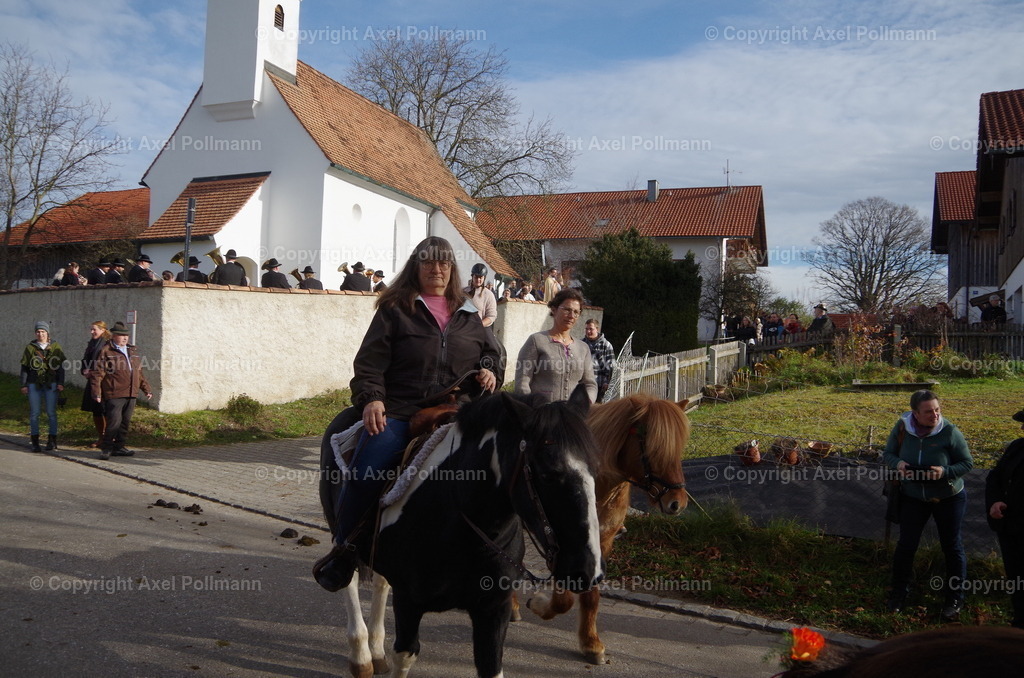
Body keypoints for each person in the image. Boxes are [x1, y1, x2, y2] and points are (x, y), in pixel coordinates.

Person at [312, 236, 499, 592]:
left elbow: (491, 354)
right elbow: (369, 362)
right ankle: (346, 550)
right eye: (428, 262)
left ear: (452, 268)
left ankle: (493, 553)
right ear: (416, 266)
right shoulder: (395, 308)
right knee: (371, 462)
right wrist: (371, 399)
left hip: (457, 411)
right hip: (400, 409)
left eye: (444, 263)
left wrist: (490, 370)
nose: (437, 269)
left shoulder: (469, 312)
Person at [883, 389, 973, 620]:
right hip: (913, 496)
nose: (934, 415)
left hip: (948, 497)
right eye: (928, 412)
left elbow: (967, 463)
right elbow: (888, 454)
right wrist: (899, 464)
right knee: (906, 545)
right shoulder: (903, 427)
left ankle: (954, 598)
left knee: (951, 546)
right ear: (915, 413)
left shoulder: (949, 431)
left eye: (937, 409)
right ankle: (899, 593)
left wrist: (945, 471)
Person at [514, 287, 597, 404]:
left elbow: (590, 383)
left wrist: (585, 404)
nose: (571, 315)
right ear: (554, 310)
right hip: (541, 416)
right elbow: (522, 382)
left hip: (572, 417)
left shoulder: (583, 348)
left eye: (576, 312)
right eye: (567, 310)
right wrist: (533, 408)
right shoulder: (536, 341)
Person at [89, 321, 153, 460]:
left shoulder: (132, 351)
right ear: (113, 336)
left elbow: (139, 373)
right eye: (121, 335)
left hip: (131, 393)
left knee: (125, 422)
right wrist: (96, 392)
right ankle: (106, 448)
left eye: (126, 336)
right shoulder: (106, 351)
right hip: (115, 393)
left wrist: (146, 389)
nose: (124, 338)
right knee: (114, 422)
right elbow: (98, 373)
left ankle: (119, 447)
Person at [986, 408, 1024, 629]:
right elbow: (995, 477)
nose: (1022, 428)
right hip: (1011, 529)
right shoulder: (1017, 447)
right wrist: (995, 501)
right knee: (1016, 578)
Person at [19, 321, 66, 453]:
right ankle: (35, 442)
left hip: (51, 384)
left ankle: (52, 440)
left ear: (47, 333)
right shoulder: (30, 348)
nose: (40, 334)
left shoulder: (56, 346)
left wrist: (61, 383)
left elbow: (60, 367)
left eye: (43, 331)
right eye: (38, 332)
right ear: (35, 333)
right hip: (34, 383)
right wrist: (23, 384)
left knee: (51, 413)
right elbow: (24, 368)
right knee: (35, 413)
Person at [80, 321, 110, 449]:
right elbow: (85, 360)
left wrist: (93, 371)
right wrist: (84, 370)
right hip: (93, 381)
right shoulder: (91, 344)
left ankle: (109, 438)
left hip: (104, 382)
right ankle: (101, 437)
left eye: (94, 329)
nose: (92, 332)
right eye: (91, 329)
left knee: (105, 410)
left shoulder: (107, 344)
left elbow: (108, 363)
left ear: (103, 330)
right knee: (96, 410)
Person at [582, 318, 616, 402]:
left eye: (591, 329)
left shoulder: (606, 345)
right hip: (583, 385)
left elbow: (611, 366)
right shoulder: (581, 344)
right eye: (586, 329)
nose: (588, 331)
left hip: (599, 386)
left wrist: (607, 382)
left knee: (597, 411)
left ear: (597, 329)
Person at [465, 263, 497, 328]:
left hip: (480, 328)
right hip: (464, 327)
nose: (478, 280)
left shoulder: (489, 295)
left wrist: (478, 325)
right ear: (472, 276)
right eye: (476, 277)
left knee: (491, 338)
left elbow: (491, 316)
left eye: (480, 277)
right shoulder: (464, 291)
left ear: (484, 278)